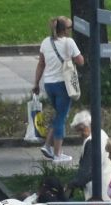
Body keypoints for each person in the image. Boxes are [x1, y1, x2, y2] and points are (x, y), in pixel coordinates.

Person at [32, 16, 84, 165]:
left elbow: (41, 64)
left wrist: (36, 83)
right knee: (61, 118)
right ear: (64, 30)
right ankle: (57, 153)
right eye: (70, 28)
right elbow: (80, 61)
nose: (71, 30)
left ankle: (47, 145)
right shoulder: (69, 42)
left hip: (49, 84)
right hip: (63, 85)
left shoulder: (45, 42)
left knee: (59, 115)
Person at [66, 110, 111, 200]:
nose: (80, 134)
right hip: (109, 186)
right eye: (78, 131)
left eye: (82, 129)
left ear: (90, 124)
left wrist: (72, 184)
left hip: (99, 192)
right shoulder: (102, 133)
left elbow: (86, 171)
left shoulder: (91, 141)